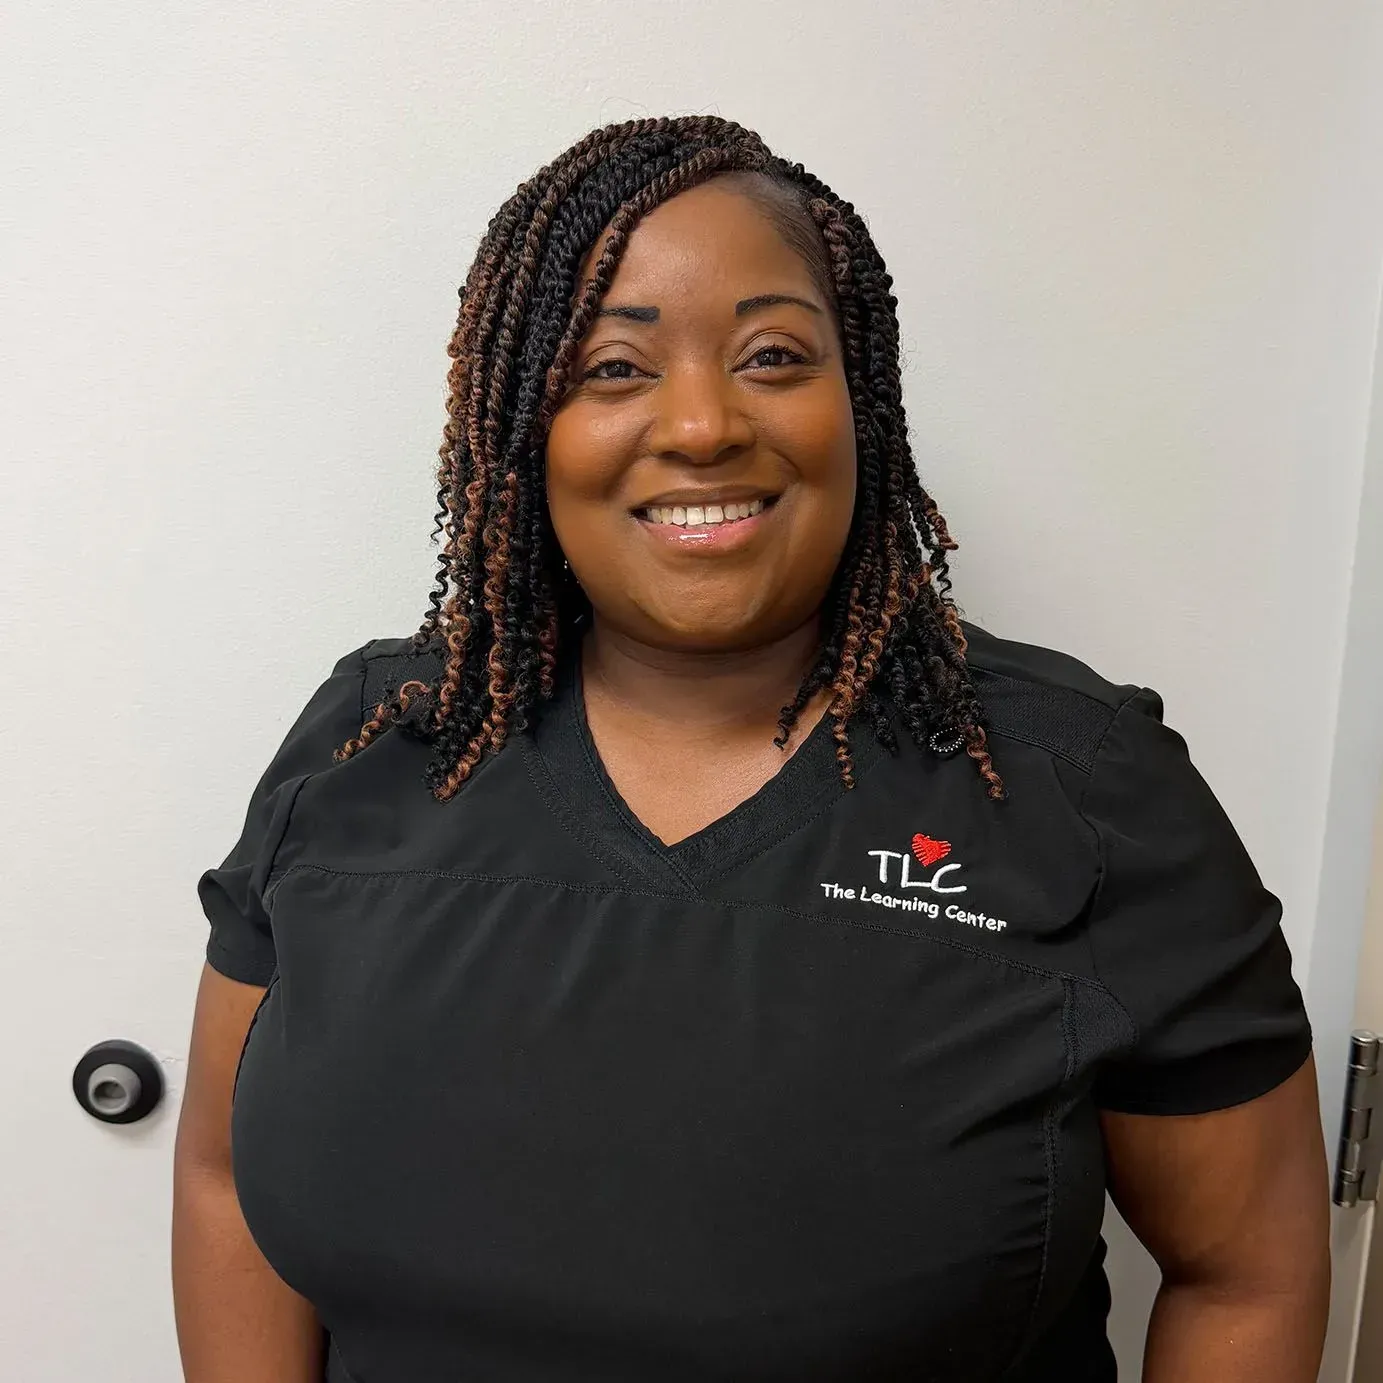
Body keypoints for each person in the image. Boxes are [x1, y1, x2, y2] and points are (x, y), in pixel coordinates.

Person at [171, 116, 1331, 1383]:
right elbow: (225, 1177)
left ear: (861, 399)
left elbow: (1247, 1272)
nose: (704, 425)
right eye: (614, 368)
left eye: (772, 354)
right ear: (519, 425)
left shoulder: (1086, 789)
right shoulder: (370, 745)